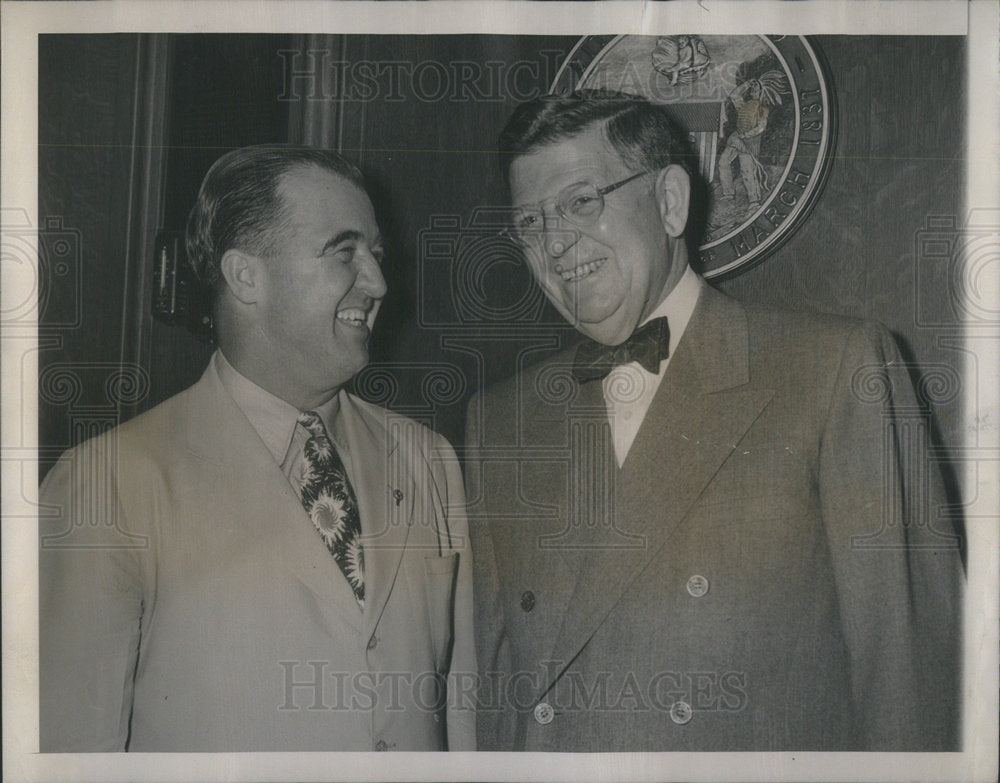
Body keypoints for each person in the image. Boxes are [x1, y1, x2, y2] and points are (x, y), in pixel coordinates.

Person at [467, 90, 962, 752]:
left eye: (581, 203)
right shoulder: (501, 420)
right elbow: (500, 705)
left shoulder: (835, 368)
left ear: (670, 201)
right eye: (530, 222)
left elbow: (915, 688)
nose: (555, 245)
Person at [39, 146, 475, 752]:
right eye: (344, 251)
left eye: (376, 253)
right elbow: (70, 754)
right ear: (247, 276)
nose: (377, 282)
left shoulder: (429, 460)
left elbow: (463, 715)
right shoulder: (107, 483)